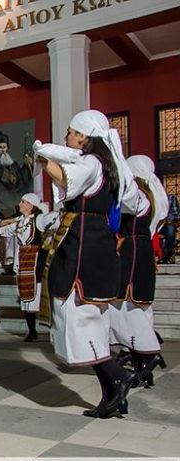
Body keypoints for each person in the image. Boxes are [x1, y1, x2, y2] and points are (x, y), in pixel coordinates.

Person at [34, 109, 139, 418]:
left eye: (70, 132)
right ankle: (112, 394)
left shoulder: (91, 163)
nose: (67, 136)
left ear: (82, 136)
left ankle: (119, 376)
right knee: (88, 320)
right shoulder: (106, 166)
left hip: (83, 246)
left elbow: (68, 178)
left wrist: (43, 159)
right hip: (94, 241)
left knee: (77, 317)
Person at [110, 155, 169, 388]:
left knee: (128, 304)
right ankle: (142, 363)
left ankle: (145, 355)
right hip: (140, 250)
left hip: (132, 250)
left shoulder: (139, 197)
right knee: (139, 306)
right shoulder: (153, 196)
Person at [0, 193, 56, 341]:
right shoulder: (19, 222)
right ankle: (32, 331)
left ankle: (54, 331)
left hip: (37, 261)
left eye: (23, 202)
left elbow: (53, 219)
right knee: (26, 297)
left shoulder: (39, 220)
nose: (20, 204)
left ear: (30, 205)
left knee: (41, 294)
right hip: (23, 261)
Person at [0, 132, 34, 215]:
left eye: (4, 147)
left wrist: (27, 166)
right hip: (2, 204)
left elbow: (22, 179)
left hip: (17, 202)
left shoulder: (13, 164)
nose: (3, 150)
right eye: (0, 147)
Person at [159, 192, 178, 263]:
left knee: (171, 230)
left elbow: (175, 214)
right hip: (155, 223)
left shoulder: (170, 197)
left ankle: (167, 253)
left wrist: (168, 220)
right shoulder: (151, 196)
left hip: (167, 223)